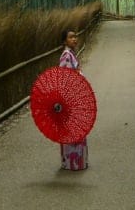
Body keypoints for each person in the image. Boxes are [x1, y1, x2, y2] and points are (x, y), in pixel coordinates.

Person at [58, 30, 88, 171]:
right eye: (71, 37)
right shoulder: (66, 55)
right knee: (72, 129)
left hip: (75, 97)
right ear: (64, 41)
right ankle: (73, 163)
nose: (74, 39)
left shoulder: (71, 54)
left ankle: (76, 162)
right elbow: (66, 78)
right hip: (70, 99)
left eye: (75, 36)